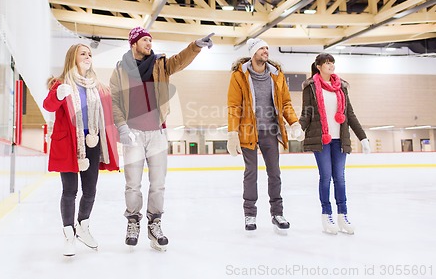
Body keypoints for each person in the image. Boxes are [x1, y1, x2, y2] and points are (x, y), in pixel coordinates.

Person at [110, 27, 214, 251]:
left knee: (158, 184)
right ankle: (133, 222)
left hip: (157, 132)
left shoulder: (159, 64)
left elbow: (179, 61)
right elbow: (115, 102)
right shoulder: (120, 69)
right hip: (133, 134)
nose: (149, 43)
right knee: (132, 185)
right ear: (134, 43)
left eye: (150, 40)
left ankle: (155, 224)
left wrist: (195, 45)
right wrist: (122, 128)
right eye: (145, 40)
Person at [43, 43, 119, 256]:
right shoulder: (60, 84)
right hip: (68, 143)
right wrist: (58, 95)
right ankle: (68, 234)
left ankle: (82, 226)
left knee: (90, 190)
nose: (88, 56)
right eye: (83, 53)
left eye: (90, 54)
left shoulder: (98, 86)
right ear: (72, 58)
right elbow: (48, 106)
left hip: (92, 141)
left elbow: (112, 112)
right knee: (69, 191)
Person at [227, 38, 304, 233]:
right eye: (262, 48)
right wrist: (232, 133)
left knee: (274, 173)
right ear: (253, 52)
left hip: (271, 131)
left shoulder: (276, 75)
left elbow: (285, 103)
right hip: (248, 131)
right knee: (251, 173)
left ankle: (277, 213)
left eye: (267, 48)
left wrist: (294, 122)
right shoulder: (240, 76)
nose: (266, 51)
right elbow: (234, 106)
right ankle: (250, 214)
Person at [299, 53, 370, 235]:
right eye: (327, 63)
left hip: (340, 139)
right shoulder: (311, 87)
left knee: (340, 177)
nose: (331, 66)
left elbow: (350, 115)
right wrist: (299, 128)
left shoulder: (341, 87)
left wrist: (363, 137)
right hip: (321, 139)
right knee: (326, 177)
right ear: (319, 66)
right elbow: (306, 113)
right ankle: (327, 215)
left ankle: (343, 215)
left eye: (332, 62)